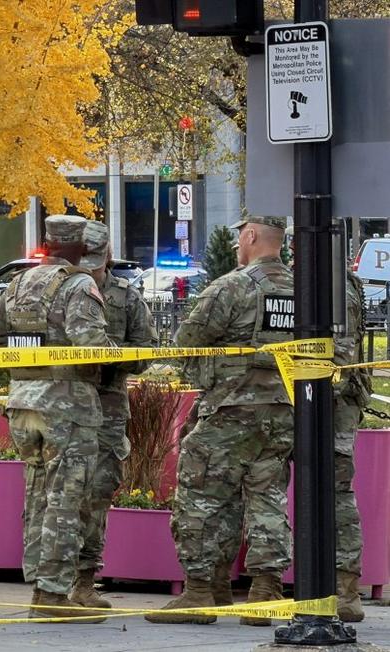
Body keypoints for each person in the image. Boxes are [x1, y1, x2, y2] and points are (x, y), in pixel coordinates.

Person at [147, 215, 294, 626]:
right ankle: (265, 590)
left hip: (230, 410)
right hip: (283, 410)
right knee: (268, 497)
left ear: (250, 236)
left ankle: (200, 591)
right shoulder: (306, 288)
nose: (236, 247)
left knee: (202, 495)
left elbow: (186, 341)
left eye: (238, 239)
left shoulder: (235, 285)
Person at [0, 214, 111, 622]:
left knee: (37, 496)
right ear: (79, 247)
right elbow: (91, 344)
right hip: (67, 408)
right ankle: (52, 595)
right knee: (66, 500)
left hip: (23, 406)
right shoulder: (78, 284)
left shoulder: (19, 283)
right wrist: (117, 355)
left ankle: (39, 581)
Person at [284, 225, 370, 621]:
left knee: (335, 490)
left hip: (332, 402)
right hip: (312, 398)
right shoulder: (321, 280)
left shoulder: (337, 286)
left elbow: (342, 352)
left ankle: (344, 586)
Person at [72, 220, 157, 609]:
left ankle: (85, 580)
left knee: (99, 490)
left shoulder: (126, 297)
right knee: (59, 491)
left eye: (95, 257)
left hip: (106, 406)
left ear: (107, 255)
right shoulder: (61, 290)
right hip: (64, 404)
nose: (88, 265)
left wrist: (114, 359)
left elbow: (147, 349)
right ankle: (50, 579)